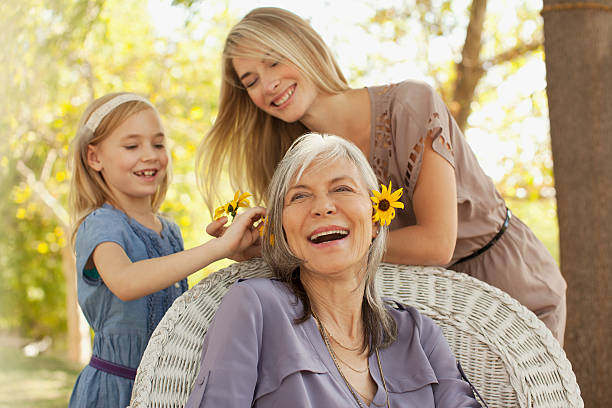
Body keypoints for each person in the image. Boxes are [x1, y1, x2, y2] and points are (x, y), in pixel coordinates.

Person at [196, 7, 566, 343]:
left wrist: (314, 245)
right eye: (251, 80)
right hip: (417, 309)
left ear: (306, 48)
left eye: (274, 62)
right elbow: (316, 260)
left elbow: (437, 244)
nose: (268, 84)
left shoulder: (411, 105)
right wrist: (259, 248)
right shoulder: (298, 161)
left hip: (506, 287)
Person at [187, 133, 481, 407]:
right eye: (300, 196)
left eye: (342, 188)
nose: (323, 207)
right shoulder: (255, 307)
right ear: (281, 228)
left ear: (376, 218)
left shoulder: (418, 333)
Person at [67, 92, 265, 408]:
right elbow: (126, 282)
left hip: (168, 387)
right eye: (132, 146)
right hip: (115, 391)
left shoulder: (169, 230)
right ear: (95, 158)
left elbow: (182, 311)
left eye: (158, 144)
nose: (150, 155)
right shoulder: (101, 223)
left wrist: (239, 251)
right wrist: (216, 247)